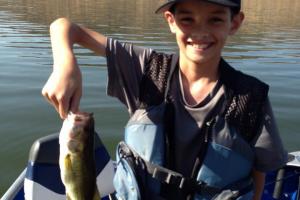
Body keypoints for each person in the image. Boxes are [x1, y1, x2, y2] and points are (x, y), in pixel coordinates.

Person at [42, 0, 287, 199]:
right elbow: (64, 27)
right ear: (171, 20)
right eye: (187, 19)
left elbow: (258, 172)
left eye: (215, 19)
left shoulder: (251, 99)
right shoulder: (147, 71)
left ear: (234, 23)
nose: (200, 32)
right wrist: (65, 64)